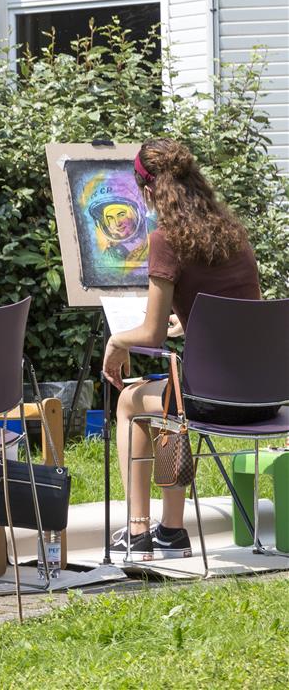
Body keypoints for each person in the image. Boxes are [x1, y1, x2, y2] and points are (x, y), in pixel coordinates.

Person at [103, 138, 271, 561]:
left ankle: (139, 530)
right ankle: (171, 532)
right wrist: (190, 324)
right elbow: (245, 315)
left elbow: (150, 335)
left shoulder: (166, 240)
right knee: (171, 398)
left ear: (148, 191)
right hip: (263, 398)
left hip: (213, 402)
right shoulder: (234, 235)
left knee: (130, 402)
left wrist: (116, 341)